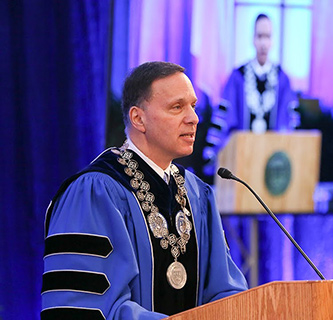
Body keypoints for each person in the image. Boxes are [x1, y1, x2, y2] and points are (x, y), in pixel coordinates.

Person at [41, 61, 248, 319]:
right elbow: (88, 306)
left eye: (193, 106)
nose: (193, 118)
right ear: (138, 118)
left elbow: (225, 291)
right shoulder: (95, 192)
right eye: (177, 107)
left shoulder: (198, 195)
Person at [204, 13, 299, 171]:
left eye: (267, 37)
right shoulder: (237, 77)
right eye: (259, 36)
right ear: (253, 39)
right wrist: (212, 154)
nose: (263, 43)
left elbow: (289, 125)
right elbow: (224, 119)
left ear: (272, 41)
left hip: (273, 164)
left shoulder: (282, 80)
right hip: (241, 161)